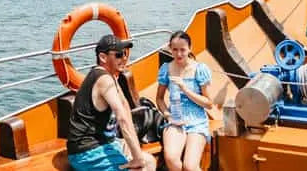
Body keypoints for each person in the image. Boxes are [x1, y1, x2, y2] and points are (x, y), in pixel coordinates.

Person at [67, 34, 156, 171]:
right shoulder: (103, 79)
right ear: (103, 57)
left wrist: (136, 153)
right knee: (142, 168)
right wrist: (137, 159)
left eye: (125, 54)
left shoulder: (111, 77)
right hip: (87, 151)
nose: (124, 58)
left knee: (149, 162)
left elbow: (125, 108)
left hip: (107, 143)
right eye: (119, 55)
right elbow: (122, 118)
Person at [156, 31, 212, 171]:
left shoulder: (199, 69)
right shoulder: (166, 69)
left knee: (190, 166)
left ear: (190, 48)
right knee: (171, 158)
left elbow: (208, 103)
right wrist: (167, 115)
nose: (179, 54)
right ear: (170, 49)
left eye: (182, 50)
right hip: (175, 118)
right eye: (175, 50)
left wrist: (185, 89)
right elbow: (159, 98)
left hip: (196, 119)